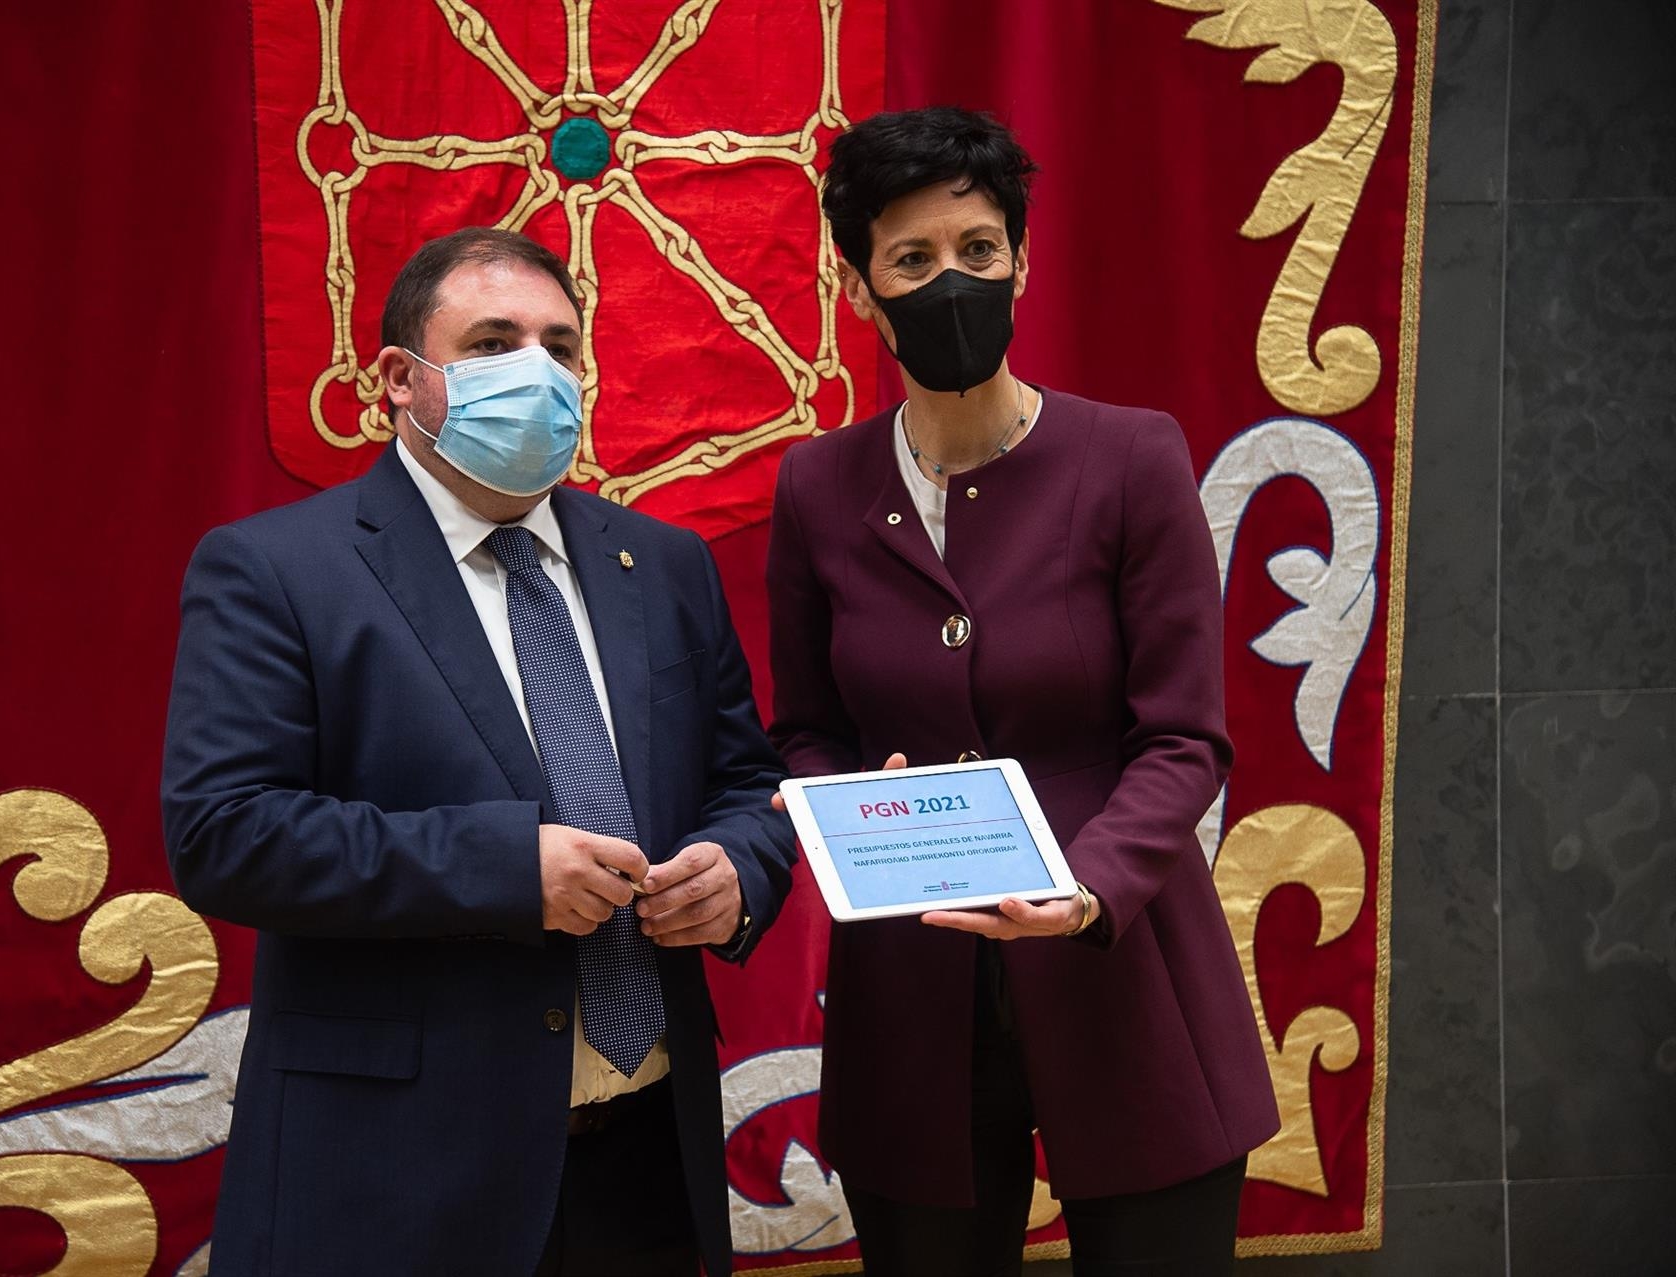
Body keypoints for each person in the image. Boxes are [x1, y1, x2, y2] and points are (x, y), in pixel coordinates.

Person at [162, 227, 795, 1277]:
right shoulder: (276, 570)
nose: (537, 374)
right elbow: (225, 834)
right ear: (400, 379)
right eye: (495, 344)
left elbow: (745, 782)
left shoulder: (665, 564)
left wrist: (739, 871)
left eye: (561, 347)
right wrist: (504, 868)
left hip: (647, 1163)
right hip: (399, 1175)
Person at [766, 107, 1278, 1276]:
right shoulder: (817, 485)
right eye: (911, 258)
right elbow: (804, 728)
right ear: (858, 286)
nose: (952, 280)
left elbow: (1184, 739)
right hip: (912, 985)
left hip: (1121, 959)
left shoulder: (1131, 457)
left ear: (1022, 260)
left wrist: (1088, 887)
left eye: (978, 249)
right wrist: (843, 804)